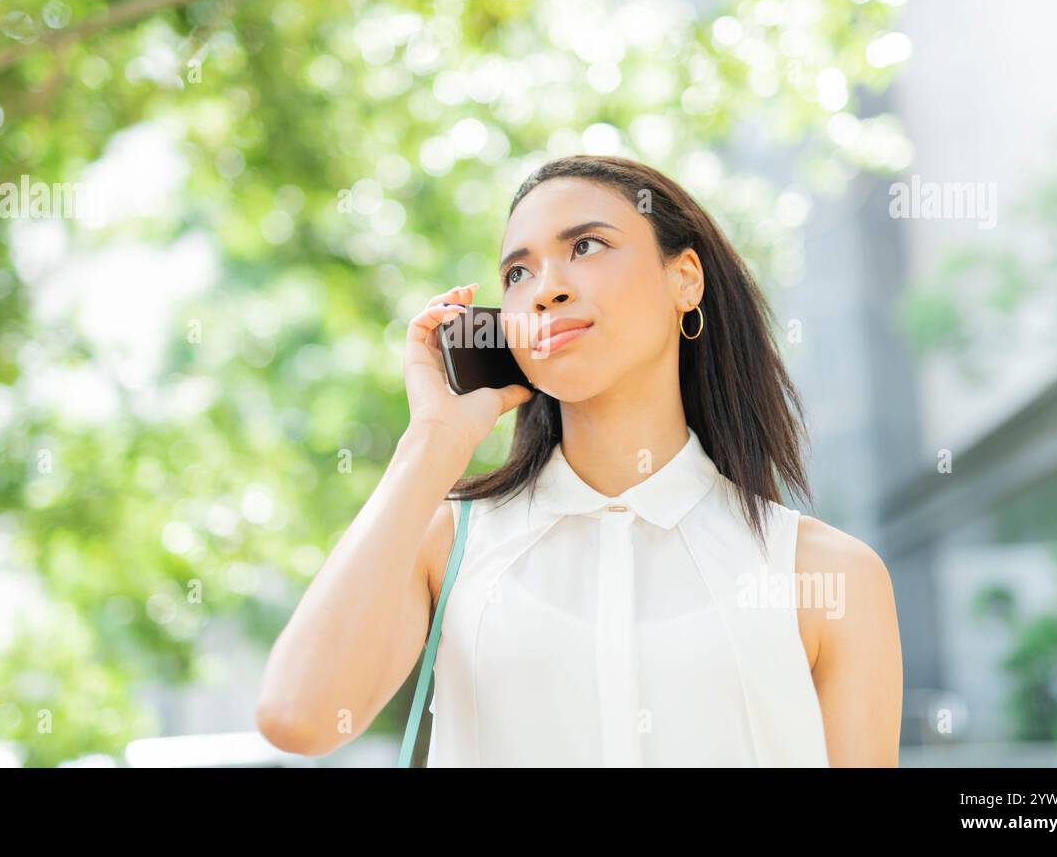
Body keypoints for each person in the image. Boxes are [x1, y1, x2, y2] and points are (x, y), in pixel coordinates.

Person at [256, 154, 903, 766]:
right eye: (517, 273)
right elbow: (299, 716)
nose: (545, 290)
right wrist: (433, 440)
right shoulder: (450, 544)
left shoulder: (827, 574)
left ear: (684, 279)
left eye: (585, 246)